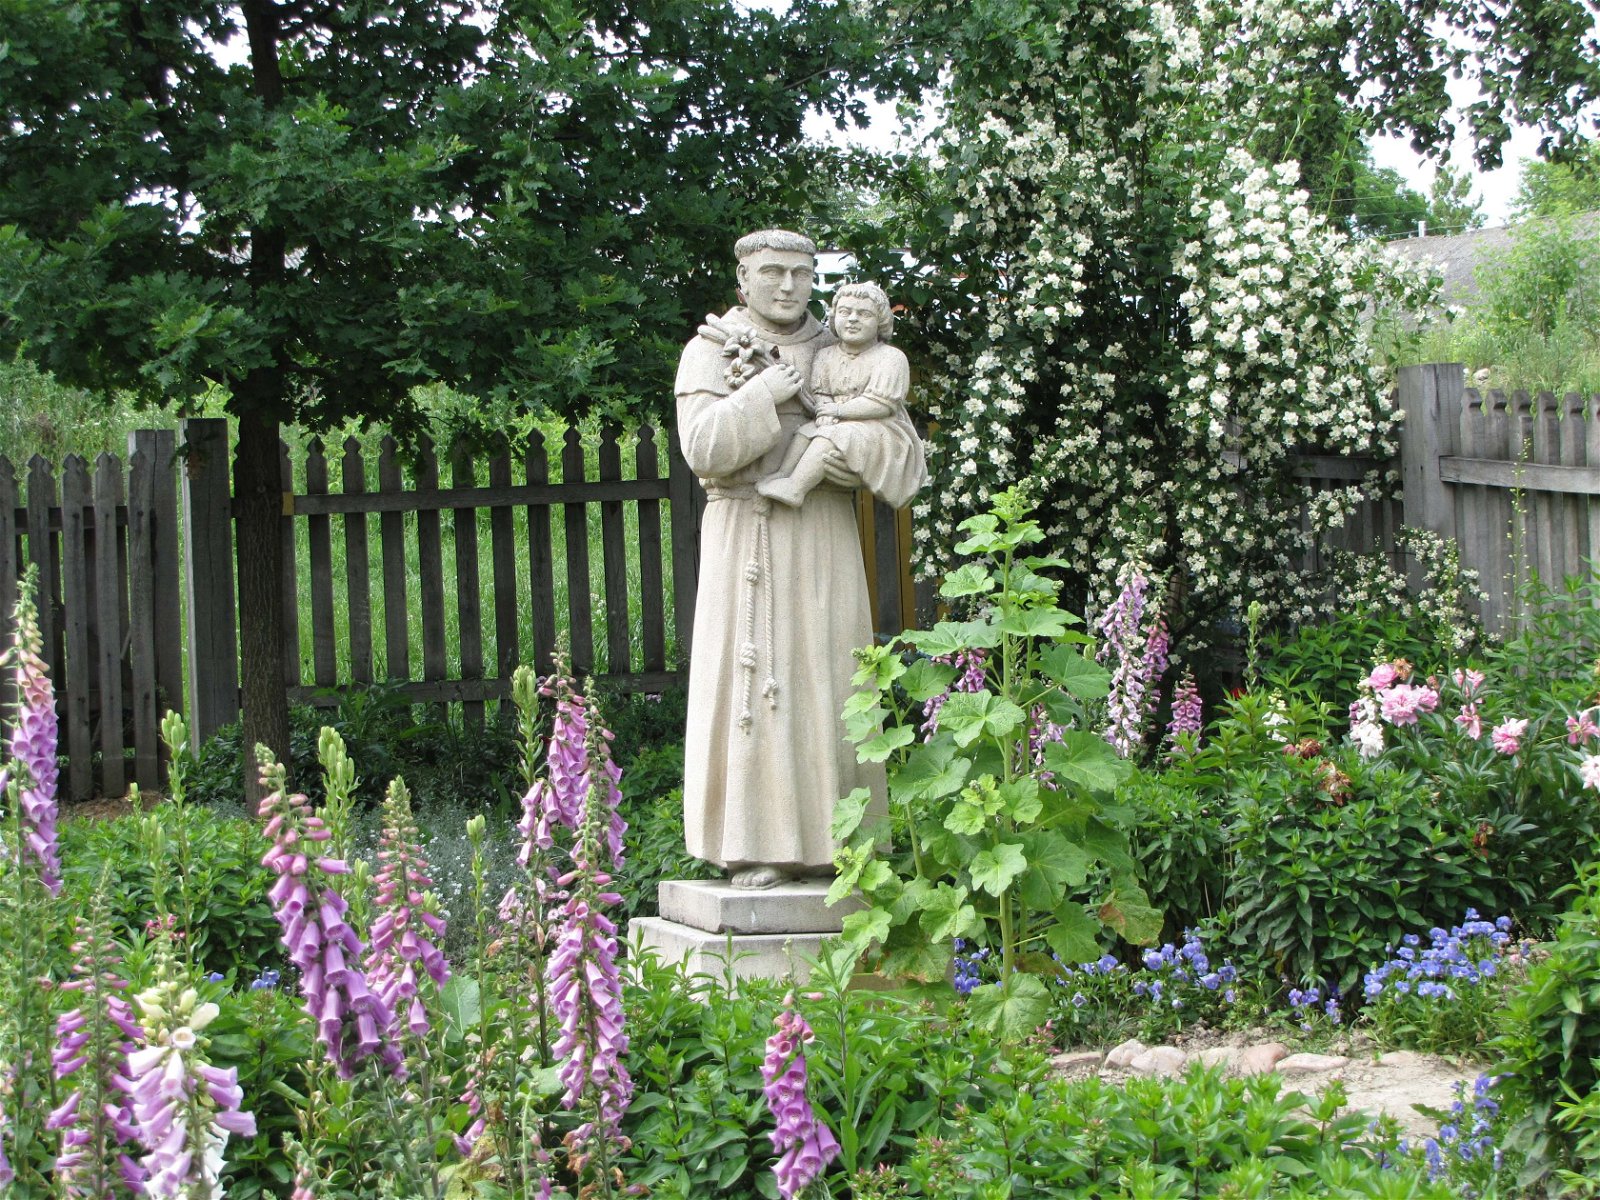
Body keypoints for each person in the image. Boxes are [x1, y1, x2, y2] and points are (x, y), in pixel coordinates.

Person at [675, 230, 927, 890]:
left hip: (820, 533)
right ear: (744, 281)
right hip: (744, 534)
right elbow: (703, 448)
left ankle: (838, 845)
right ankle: (756, 844)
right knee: (755, 690)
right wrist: (763, 394)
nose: (788, 286)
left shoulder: (845, 348)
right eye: (772, 273)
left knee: (829, 679)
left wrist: (842, 447)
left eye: (800, 273)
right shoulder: (710, 350)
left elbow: (902, 454)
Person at [756, 282, 920, 510]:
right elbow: (821, 393)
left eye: (863, 314)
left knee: (834, 436)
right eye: (845, 312)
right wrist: (825, 411)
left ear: (880, 321)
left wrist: (838, 412)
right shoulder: (825, 356)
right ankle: (784, 475)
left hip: (878, 426)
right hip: (838, 420)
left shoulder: (890, 358)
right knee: (806, 432)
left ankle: (796, 487)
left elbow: (881, 404)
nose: (853, 319)